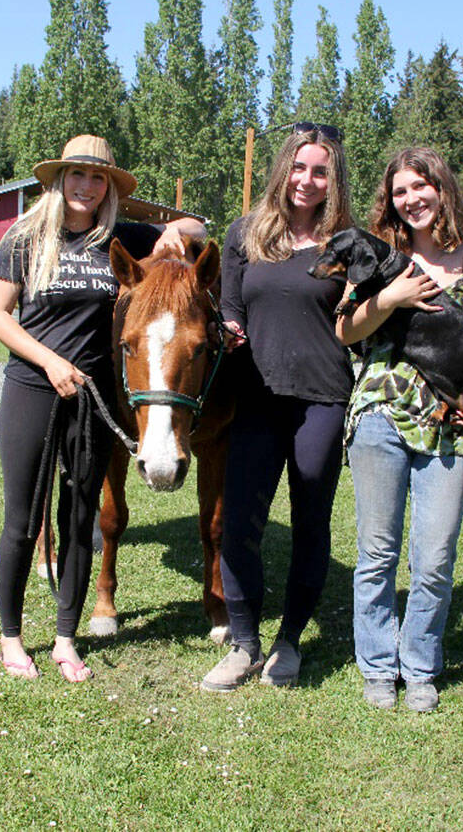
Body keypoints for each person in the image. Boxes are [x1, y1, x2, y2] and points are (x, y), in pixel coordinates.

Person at [0, 134, 203, 683]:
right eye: (77, 176)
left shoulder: (120, 236)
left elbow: (196, 229)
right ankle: (12, 639)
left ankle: (65, 638)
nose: (86, 186)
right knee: (21, 518)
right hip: (34, 388)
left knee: (80, 516)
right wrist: (50, 363)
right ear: (59, 181)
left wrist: (176, 230)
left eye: (97, 178)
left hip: (95, 396)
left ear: (108, 188)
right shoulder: (25, 238)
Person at [335, 146, 463, 712]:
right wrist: (393, 296)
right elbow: (344, 331)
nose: (411, 199)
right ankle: (377, 667)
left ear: (442, 189)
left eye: (421, 186)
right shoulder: (377, 258)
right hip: (380, 416)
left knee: (434, 555)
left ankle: (419, 666)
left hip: (450, 426)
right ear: (390, 202)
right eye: (399, 191)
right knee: (377, 551)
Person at [201, 122, 354, 691]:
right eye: (298, 166)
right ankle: (244, 644)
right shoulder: (247, 234)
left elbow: (362, 321)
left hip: (322, 398)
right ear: (282, 168)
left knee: (311, 522)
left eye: (320, 171)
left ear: (332, 179)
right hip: (256, 397)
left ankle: (289, 641)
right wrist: (230, 328)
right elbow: (230, 307)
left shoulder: (345, 243)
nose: (306, 180)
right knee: (239, 522)